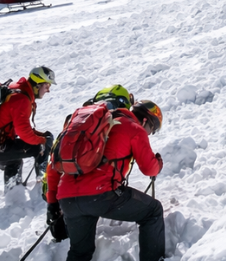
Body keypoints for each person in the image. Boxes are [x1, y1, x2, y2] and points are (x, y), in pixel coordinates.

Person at [46, 100, 165, 261]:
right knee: (153, 211)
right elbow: (149, 168)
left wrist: (52, 203)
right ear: (145, 120)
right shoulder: (134, 128)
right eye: (152, 128)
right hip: (100, 195)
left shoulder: (101, 123)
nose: (150, 133)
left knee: (80, 252)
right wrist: (158, 163)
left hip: (68, 198)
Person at [0, 66, 57, 189]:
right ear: (37, 85)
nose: (48, 90)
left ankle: (14, 193)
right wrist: (43, 140)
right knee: (40, 146)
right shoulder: (21, 99)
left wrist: (40, 135)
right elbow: (24, 132)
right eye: (47, 86)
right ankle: (43, 184)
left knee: (14, 160)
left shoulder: (17, 88)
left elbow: (19, 126)